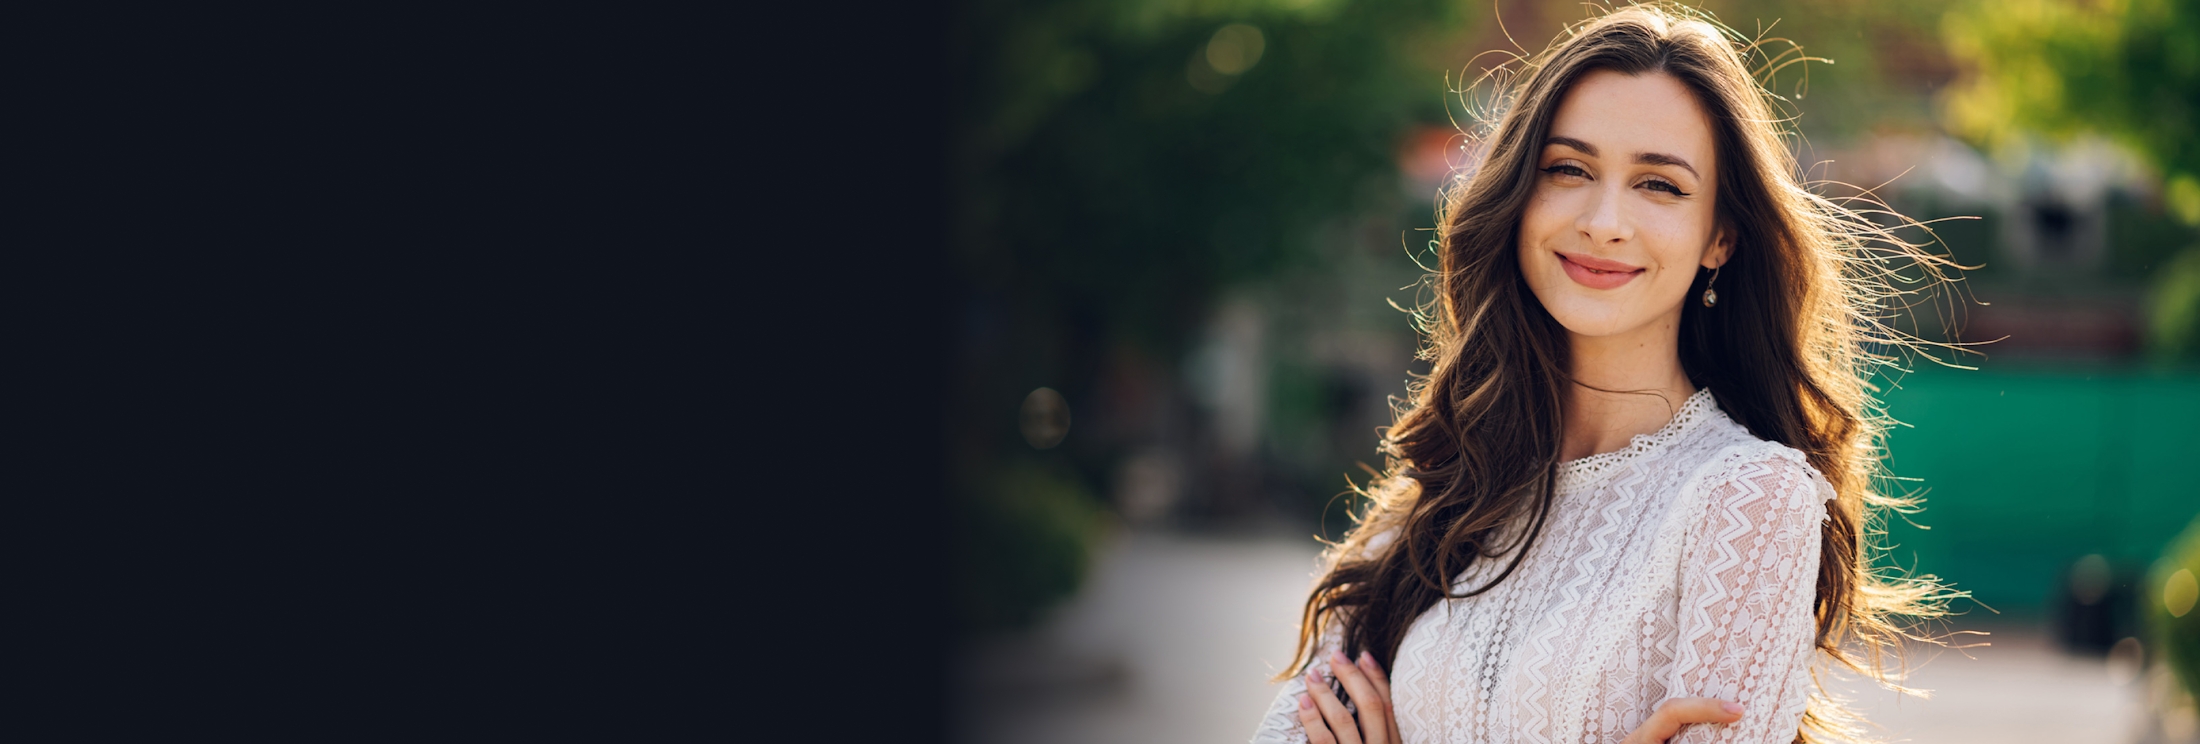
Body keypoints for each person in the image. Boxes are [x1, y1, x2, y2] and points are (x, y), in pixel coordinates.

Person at [1249, 4, 1964, 744]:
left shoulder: (1750, 498)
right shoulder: (1440, 491)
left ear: (1719, 236)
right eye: (1568, 169)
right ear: (1521, 194)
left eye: (1659, 185)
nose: (1604, 220)